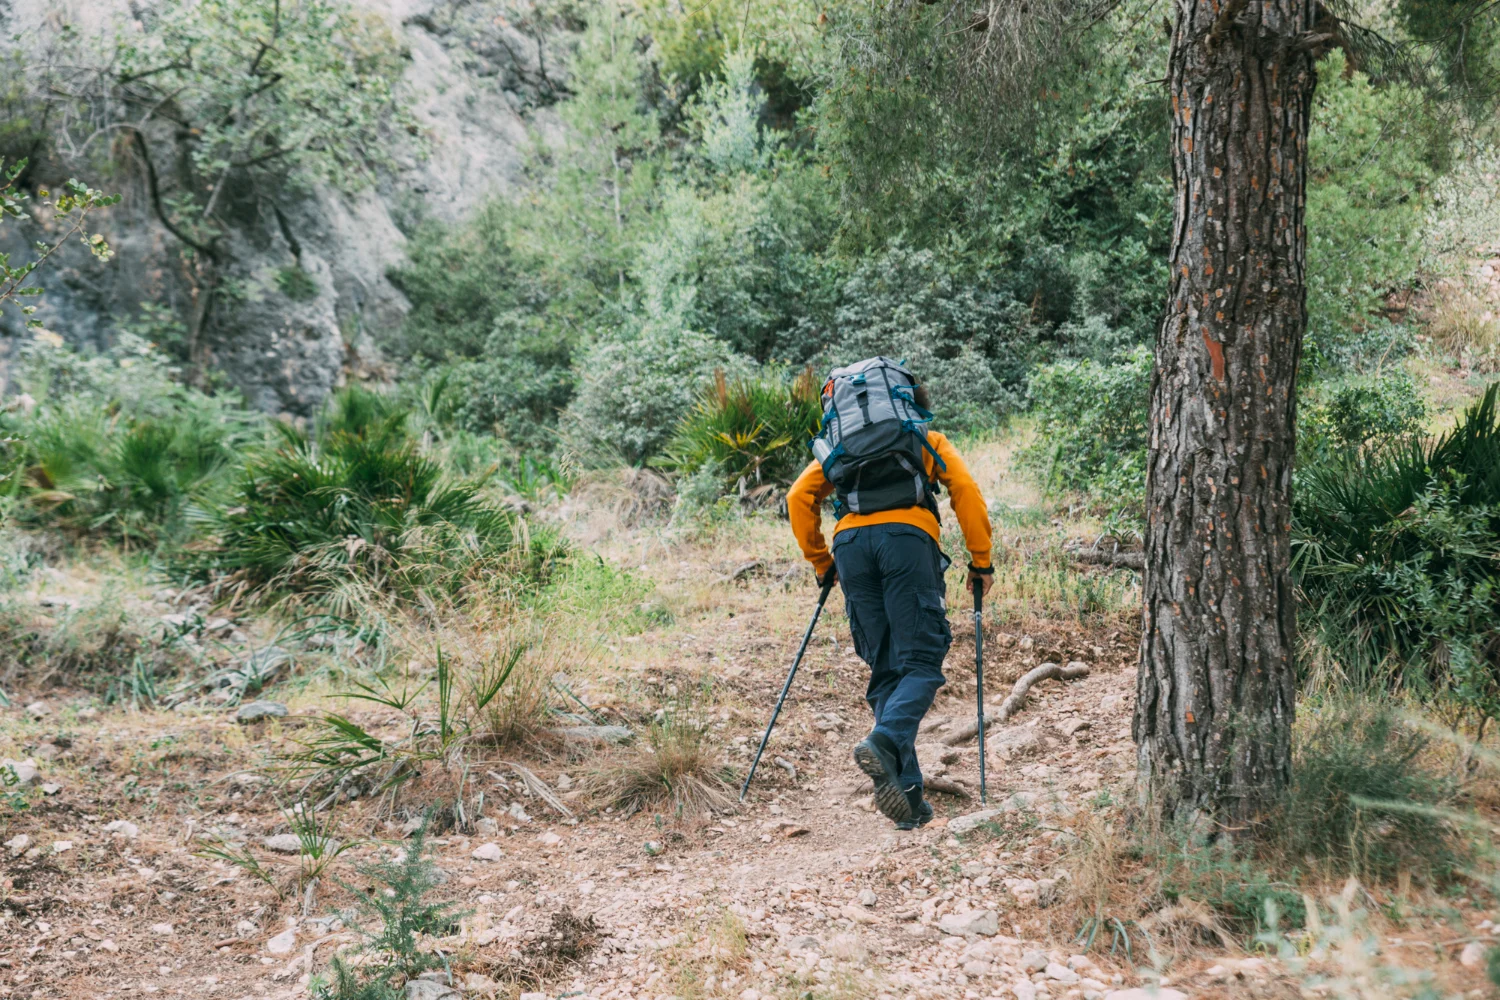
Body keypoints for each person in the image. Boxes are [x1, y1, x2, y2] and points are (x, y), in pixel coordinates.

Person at [787, 381, 993, 829]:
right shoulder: (921, 437)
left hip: (851, 545)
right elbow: (966, 490)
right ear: (907, 403)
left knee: (886, 670)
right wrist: (981, 561)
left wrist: (823, 562)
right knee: (921, 663)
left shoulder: (839, 446)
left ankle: (910, 797)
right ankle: (884, 739)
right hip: (907, 540)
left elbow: (798, 498)